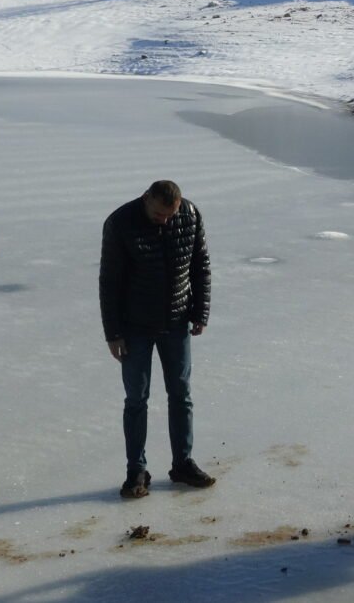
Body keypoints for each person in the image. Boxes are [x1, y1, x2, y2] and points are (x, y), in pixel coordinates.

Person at [100, 180, 214, 498]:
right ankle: (136, 470)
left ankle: (183, 464)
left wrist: (200, 311)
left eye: (169, 214)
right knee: (136, 400)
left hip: (177, 321)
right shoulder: (120, 222)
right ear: (146, 199)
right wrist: (113, 333)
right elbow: (109, 282)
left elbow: (200, 267)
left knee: (181, 394)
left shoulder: (190, 215)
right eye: (158, 214)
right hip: (134, 327)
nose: (164, 220)